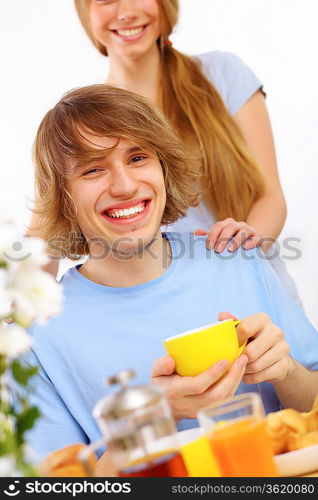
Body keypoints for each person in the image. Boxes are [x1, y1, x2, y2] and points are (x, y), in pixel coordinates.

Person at [25, 85, 318, 476]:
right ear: (63, 197)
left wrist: (287, 372)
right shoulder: (38, 337)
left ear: (164, 167)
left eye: (138, 157)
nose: (125, 185)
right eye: (93, 168)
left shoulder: (237, 259)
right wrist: (154, 419)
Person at [30, 0, 301, 305]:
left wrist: (242, 253)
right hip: (170, 308)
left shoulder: (222, 74)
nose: (126, 12)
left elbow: (270, 197)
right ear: (85, 14)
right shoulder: (87, 122)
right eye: (107, 0)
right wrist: (21, 311)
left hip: (253, 291)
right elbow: (44, 239)